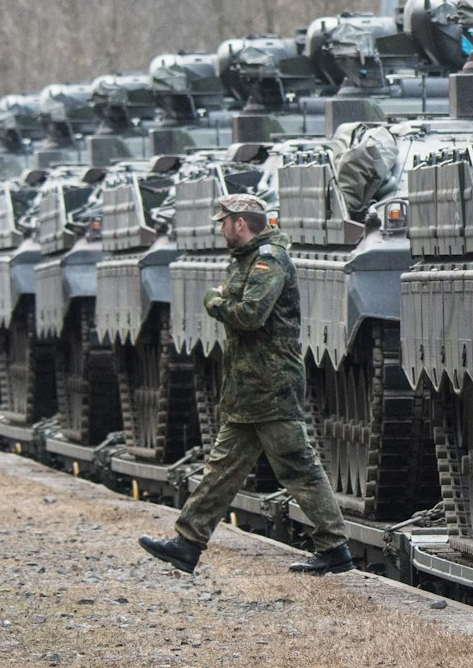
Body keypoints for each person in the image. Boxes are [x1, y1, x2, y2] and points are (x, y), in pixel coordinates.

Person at [138, 194, 354, 575]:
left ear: (241, 222)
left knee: (297, 465)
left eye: (224, 222)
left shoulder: (268, 259)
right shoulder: (248, 260)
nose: (221, 229)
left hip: (271, 385)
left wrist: (213, 302)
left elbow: (250, 314)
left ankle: (334, 547)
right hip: (248, 387)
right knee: (221, 469)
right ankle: (187, 543)